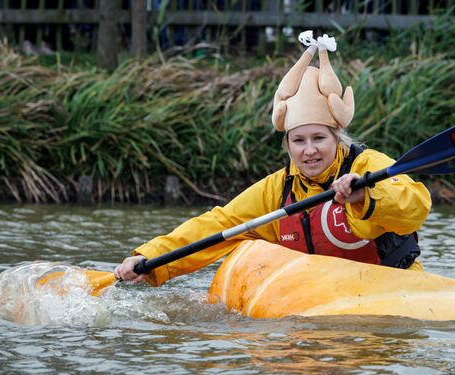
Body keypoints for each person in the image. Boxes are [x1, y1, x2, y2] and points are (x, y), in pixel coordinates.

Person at [115, 31, 432, 286]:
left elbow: (415, 206)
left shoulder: (368, 166)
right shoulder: (277, 191)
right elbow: (216, 226)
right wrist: (148, 258)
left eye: (319, 138)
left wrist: (366, 193)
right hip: (322, 297)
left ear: (337, 138)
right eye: (299, 141)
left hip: (391, 287)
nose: (309, 150)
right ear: (288, 144)